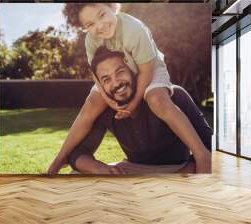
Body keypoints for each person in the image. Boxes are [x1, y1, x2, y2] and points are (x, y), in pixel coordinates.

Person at [48, 3, 210, 174]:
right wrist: (108, 100)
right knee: (91, 104)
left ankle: (201, 154)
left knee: (156, 99)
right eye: (90, 24)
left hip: (149, 66)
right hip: (118, 70)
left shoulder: (133, 29)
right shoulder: (91, 40)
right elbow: (97, 74)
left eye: (102, 15)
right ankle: (60, 158)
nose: (100, 26)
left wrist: (132, 104)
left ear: (112, 7)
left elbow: (146, 71)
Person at [68, 47, 212, 174]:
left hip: (175, 168)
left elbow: (209, 144)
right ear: (101, 87)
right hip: (133, 169)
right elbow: (77, 153)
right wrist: (100, 168)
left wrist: (187, 170)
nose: (116, 83)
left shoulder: (171, 96)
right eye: (107, 80)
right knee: (76, 174)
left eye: (120, 72)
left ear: (134, 70)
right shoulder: (105, 109)